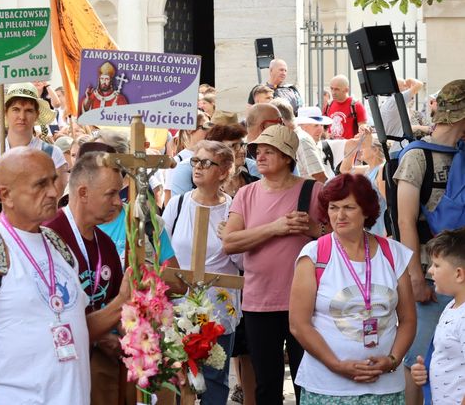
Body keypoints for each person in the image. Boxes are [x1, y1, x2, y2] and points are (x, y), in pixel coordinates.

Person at [0, 147, 129, 405]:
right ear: (6, 195)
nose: (54, 192)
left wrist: (122, 300)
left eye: (54, 181)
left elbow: (76, 328)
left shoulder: (57, 246)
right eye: (40, 184)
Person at [289, 173, 416, 404]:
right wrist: (336, 365)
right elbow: (299, 325)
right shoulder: (314, 254)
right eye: (333, 207)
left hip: (385, 386)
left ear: (366, 210)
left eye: (349, 207)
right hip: (327, 386)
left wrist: (393, 360)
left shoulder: (393, 253)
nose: (340, 215)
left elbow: (407, 319)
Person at [222, 125, 325, 404]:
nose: (260, 156)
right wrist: (275, 228)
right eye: (258, 151)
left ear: (288, 157)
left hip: (306, 303)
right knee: (266, 385)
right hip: (259, 302)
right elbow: (229, 242)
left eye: (269, 151)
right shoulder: (246, 194)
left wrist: (315, 229)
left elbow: (338, 239)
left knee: (309, 384)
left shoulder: (313, 190)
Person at [392, 79, 465, 405]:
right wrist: (415, 278)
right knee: (419, 358)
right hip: (428, 272)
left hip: (459, 273)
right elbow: (404, 220)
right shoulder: (417, 156)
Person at [163, 140, 241, 405]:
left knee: (215, 378)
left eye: (206, 163)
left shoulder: (234, 210)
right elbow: (164, 250)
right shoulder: (178, 204)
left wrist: (231, 238)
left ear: (224, 171)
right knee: (176, 375)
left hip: (219, 306)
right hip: (181, 305)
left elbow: (243, 259)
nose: (197, 167)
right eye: (195, 161)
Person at [44, 149, 125, 405]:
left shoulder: (107, 245)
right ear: (82, 192)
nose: (118, 202)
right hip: (56, 374)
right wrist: (100, 336)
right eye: (111, 194)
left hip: (97, 374)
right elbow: (43, 314)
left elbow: (117, 306)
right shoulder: (48, 237)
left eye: (119, 193)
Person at [0, 83, 68, 197]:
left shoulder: (53, 154)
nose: (22, 116)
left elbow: (56, 201)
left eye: (28, 110)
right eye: (16, 109)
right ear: (5, 112)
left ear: (37, 114)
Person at [410, 227, 465, 405]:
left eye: (437, 265)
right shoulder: (451, 306)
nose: (431, 271)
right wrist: (425, 371)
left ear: (459, 274)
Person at [340, 132, 387, 236]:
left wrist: (387, 233)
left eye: (364, 146)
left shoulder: (382, 169)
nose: (360, 149)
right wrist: (352, 147)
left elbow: (391, 205)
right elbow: (345, 169)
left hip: (381, 231)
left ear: (375, 150)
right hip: (371, 230)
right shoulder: (369, 169)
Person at [380, 78, 424, 158]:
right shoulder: (396, 99)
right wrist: (411, 80)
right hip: (399, 149)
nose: (408, 88)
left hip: (394, 149)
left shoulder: (388, 102)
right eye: (405, 85)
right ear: (397, 87)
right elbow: (419, 84)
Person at [295, 106, 333, 183]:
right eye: (316, 125)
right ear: (303, 127)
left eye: (321, 125)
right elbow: (320, 176)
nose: (321, 129)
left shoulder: (302, 138)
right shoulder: (303, 140)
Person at [324, 74, 368, 139]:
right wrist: (326, 134)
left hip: (350, 147)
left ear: (346, 90)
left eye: (337, 89)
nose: (333, 92)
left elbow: (363, 130)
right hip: (332, 146)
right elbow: (323, 127)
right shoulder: (329, 105)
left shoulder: (356, 105)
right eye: (331, 88)